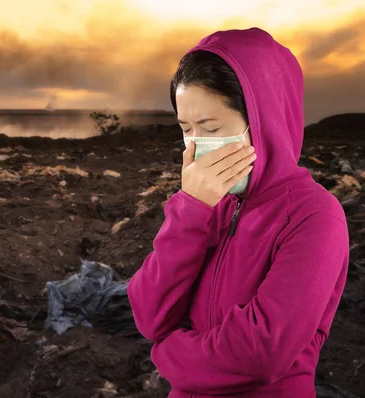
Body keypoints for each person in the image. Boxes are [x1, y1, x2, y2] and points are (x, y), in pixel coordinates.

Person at [127, 27, 349, 398]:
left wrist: (168, 355)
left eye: (211, 128)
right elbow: (149, 315)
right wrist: (189, 211)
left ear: (265, 123)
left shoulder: (316, 217)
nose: (197, 145)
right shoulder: (207, 202)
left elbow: (260, 353)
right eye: (186, 129)